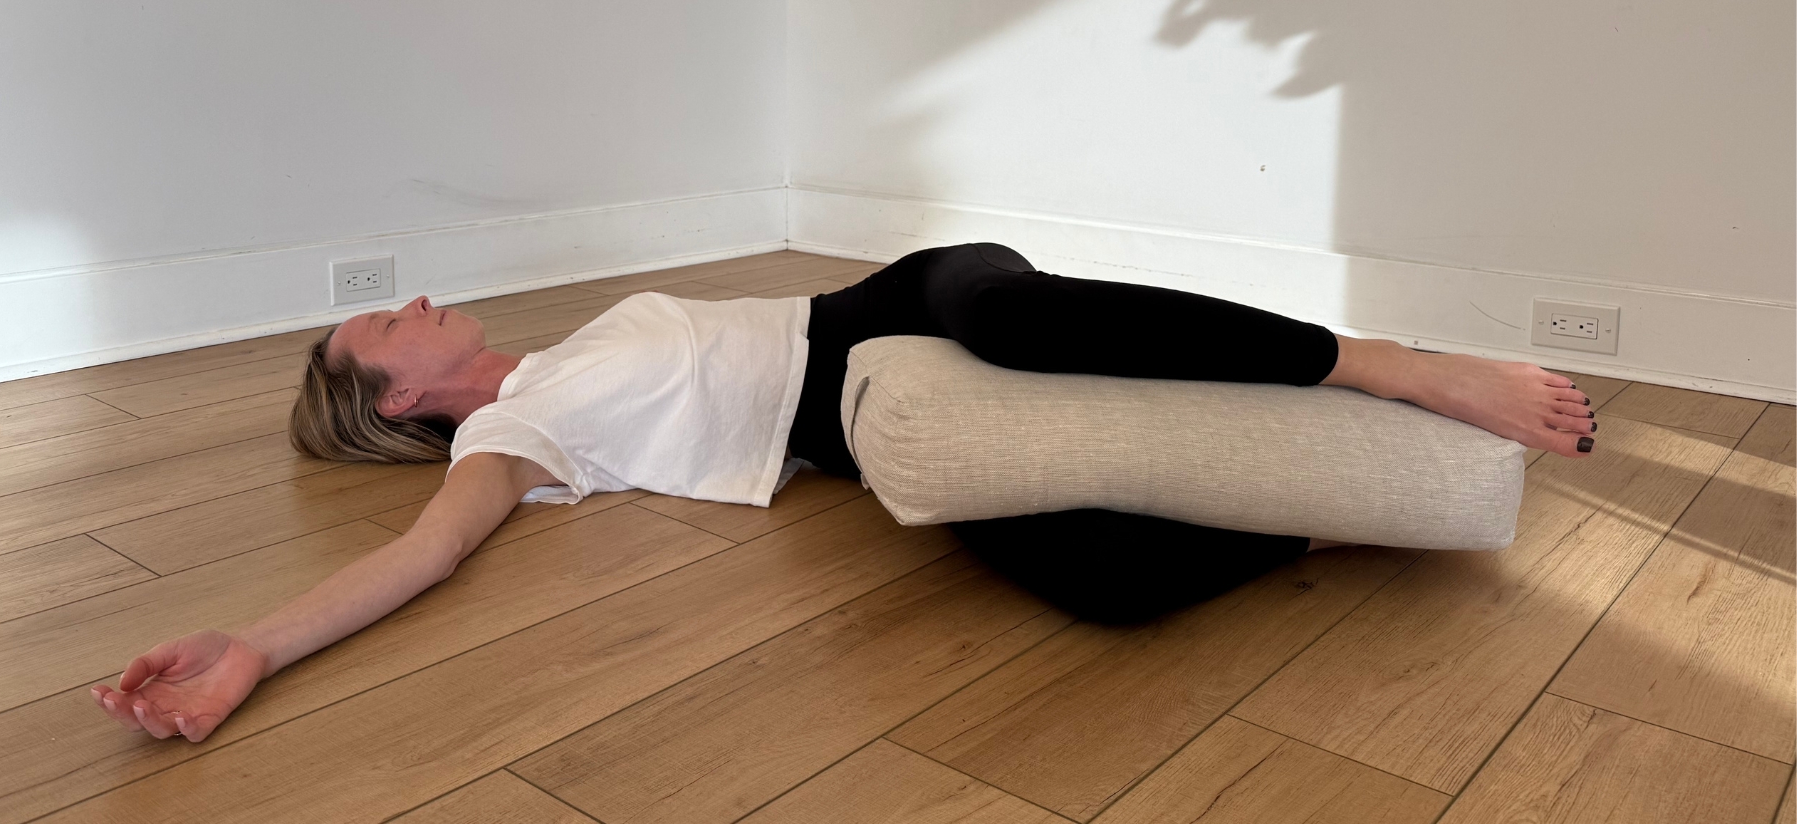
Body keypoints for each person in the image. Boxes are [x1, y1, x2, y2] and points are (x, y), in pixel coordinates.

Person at [90, 243, 1595, 743]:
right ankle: (1329, 506)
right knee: (1100, 587)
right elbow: (422, 556)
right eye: (387, 325)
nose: (415, 299)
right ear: (398, 402)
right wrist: (256, 646)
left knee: (1011, 318)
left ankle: (1398, 367)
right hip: (860, 427)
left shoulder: (568, 342)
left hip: (886, 305)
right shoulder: (516, 439)